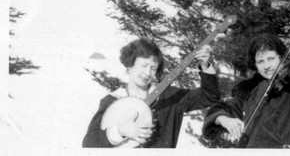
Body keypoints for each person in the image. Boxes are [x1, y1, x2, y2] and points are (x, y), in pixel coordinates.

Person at [82, 38, 220, 148]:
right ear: (130, 64)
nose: (147, 73)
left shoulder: (171, 96)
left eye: (153, 68)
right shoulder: (112, 100)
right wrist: (121, 130)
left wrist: (205, 65)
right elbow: (89, 144)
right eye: (144, 65)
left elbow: (210, 97)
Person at [202, 33, 290, 148]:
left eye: (271, 59)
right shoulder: (250, 89)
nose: (266, 66)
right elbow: (220, 109)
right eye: (260, 61)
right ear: (255, 65)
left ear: (281, 58)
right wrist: (224, 119)